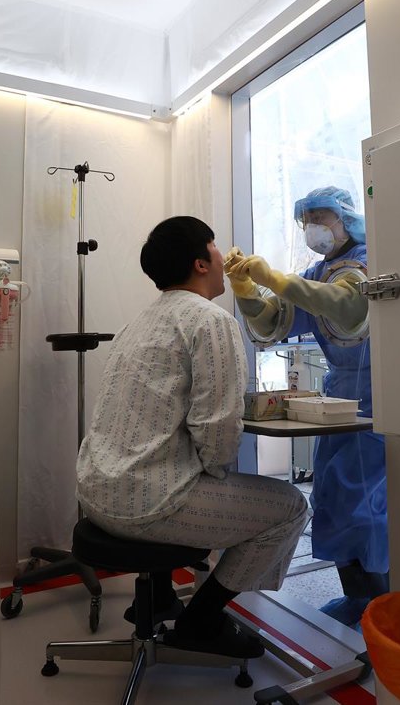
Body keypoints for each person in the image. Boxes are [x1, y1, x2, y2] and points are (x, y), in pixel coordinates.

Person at [76, 216, 309, 659]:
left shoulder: (138, 323)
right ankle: (200, 622)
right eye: (215, 247)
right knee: (291, 507)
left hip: (96, 494)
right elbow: (218, 432)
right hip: (146, 505)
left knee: (173, 464)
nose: (222, 257)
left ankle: (159, 596)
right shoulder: (210, 320)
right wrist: (216, 478)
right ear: (201, 262)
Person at [224, 186, 387, 629]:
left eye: (321, 217)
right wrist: (246, 289)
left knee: (366, 508)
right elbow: (273, 322)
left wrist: (275, 278)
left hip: (381, 399)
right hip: (340, 400)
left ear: (346, 217)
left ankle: (383, 606)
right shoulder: (317, 272)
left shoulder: (370, 261)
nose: (313, 227)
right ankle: (357, 598)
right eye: (307, 220)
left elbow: (347, 304)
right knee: (331, 497)